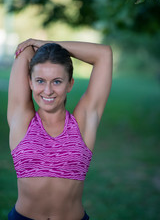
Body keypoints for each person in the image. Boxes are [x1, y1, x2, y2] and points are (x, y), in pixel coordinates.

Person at [7, 38, 113, 220]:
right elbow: (25, 51)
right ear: (30, 83)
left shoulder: (83, 123)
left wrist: (47, 43)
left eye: (57, 81)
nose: (47, 91)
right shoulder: (21, 119)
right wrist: (41, 48)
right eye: (40, 80)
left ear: (70, 84)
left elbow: (103, 54)